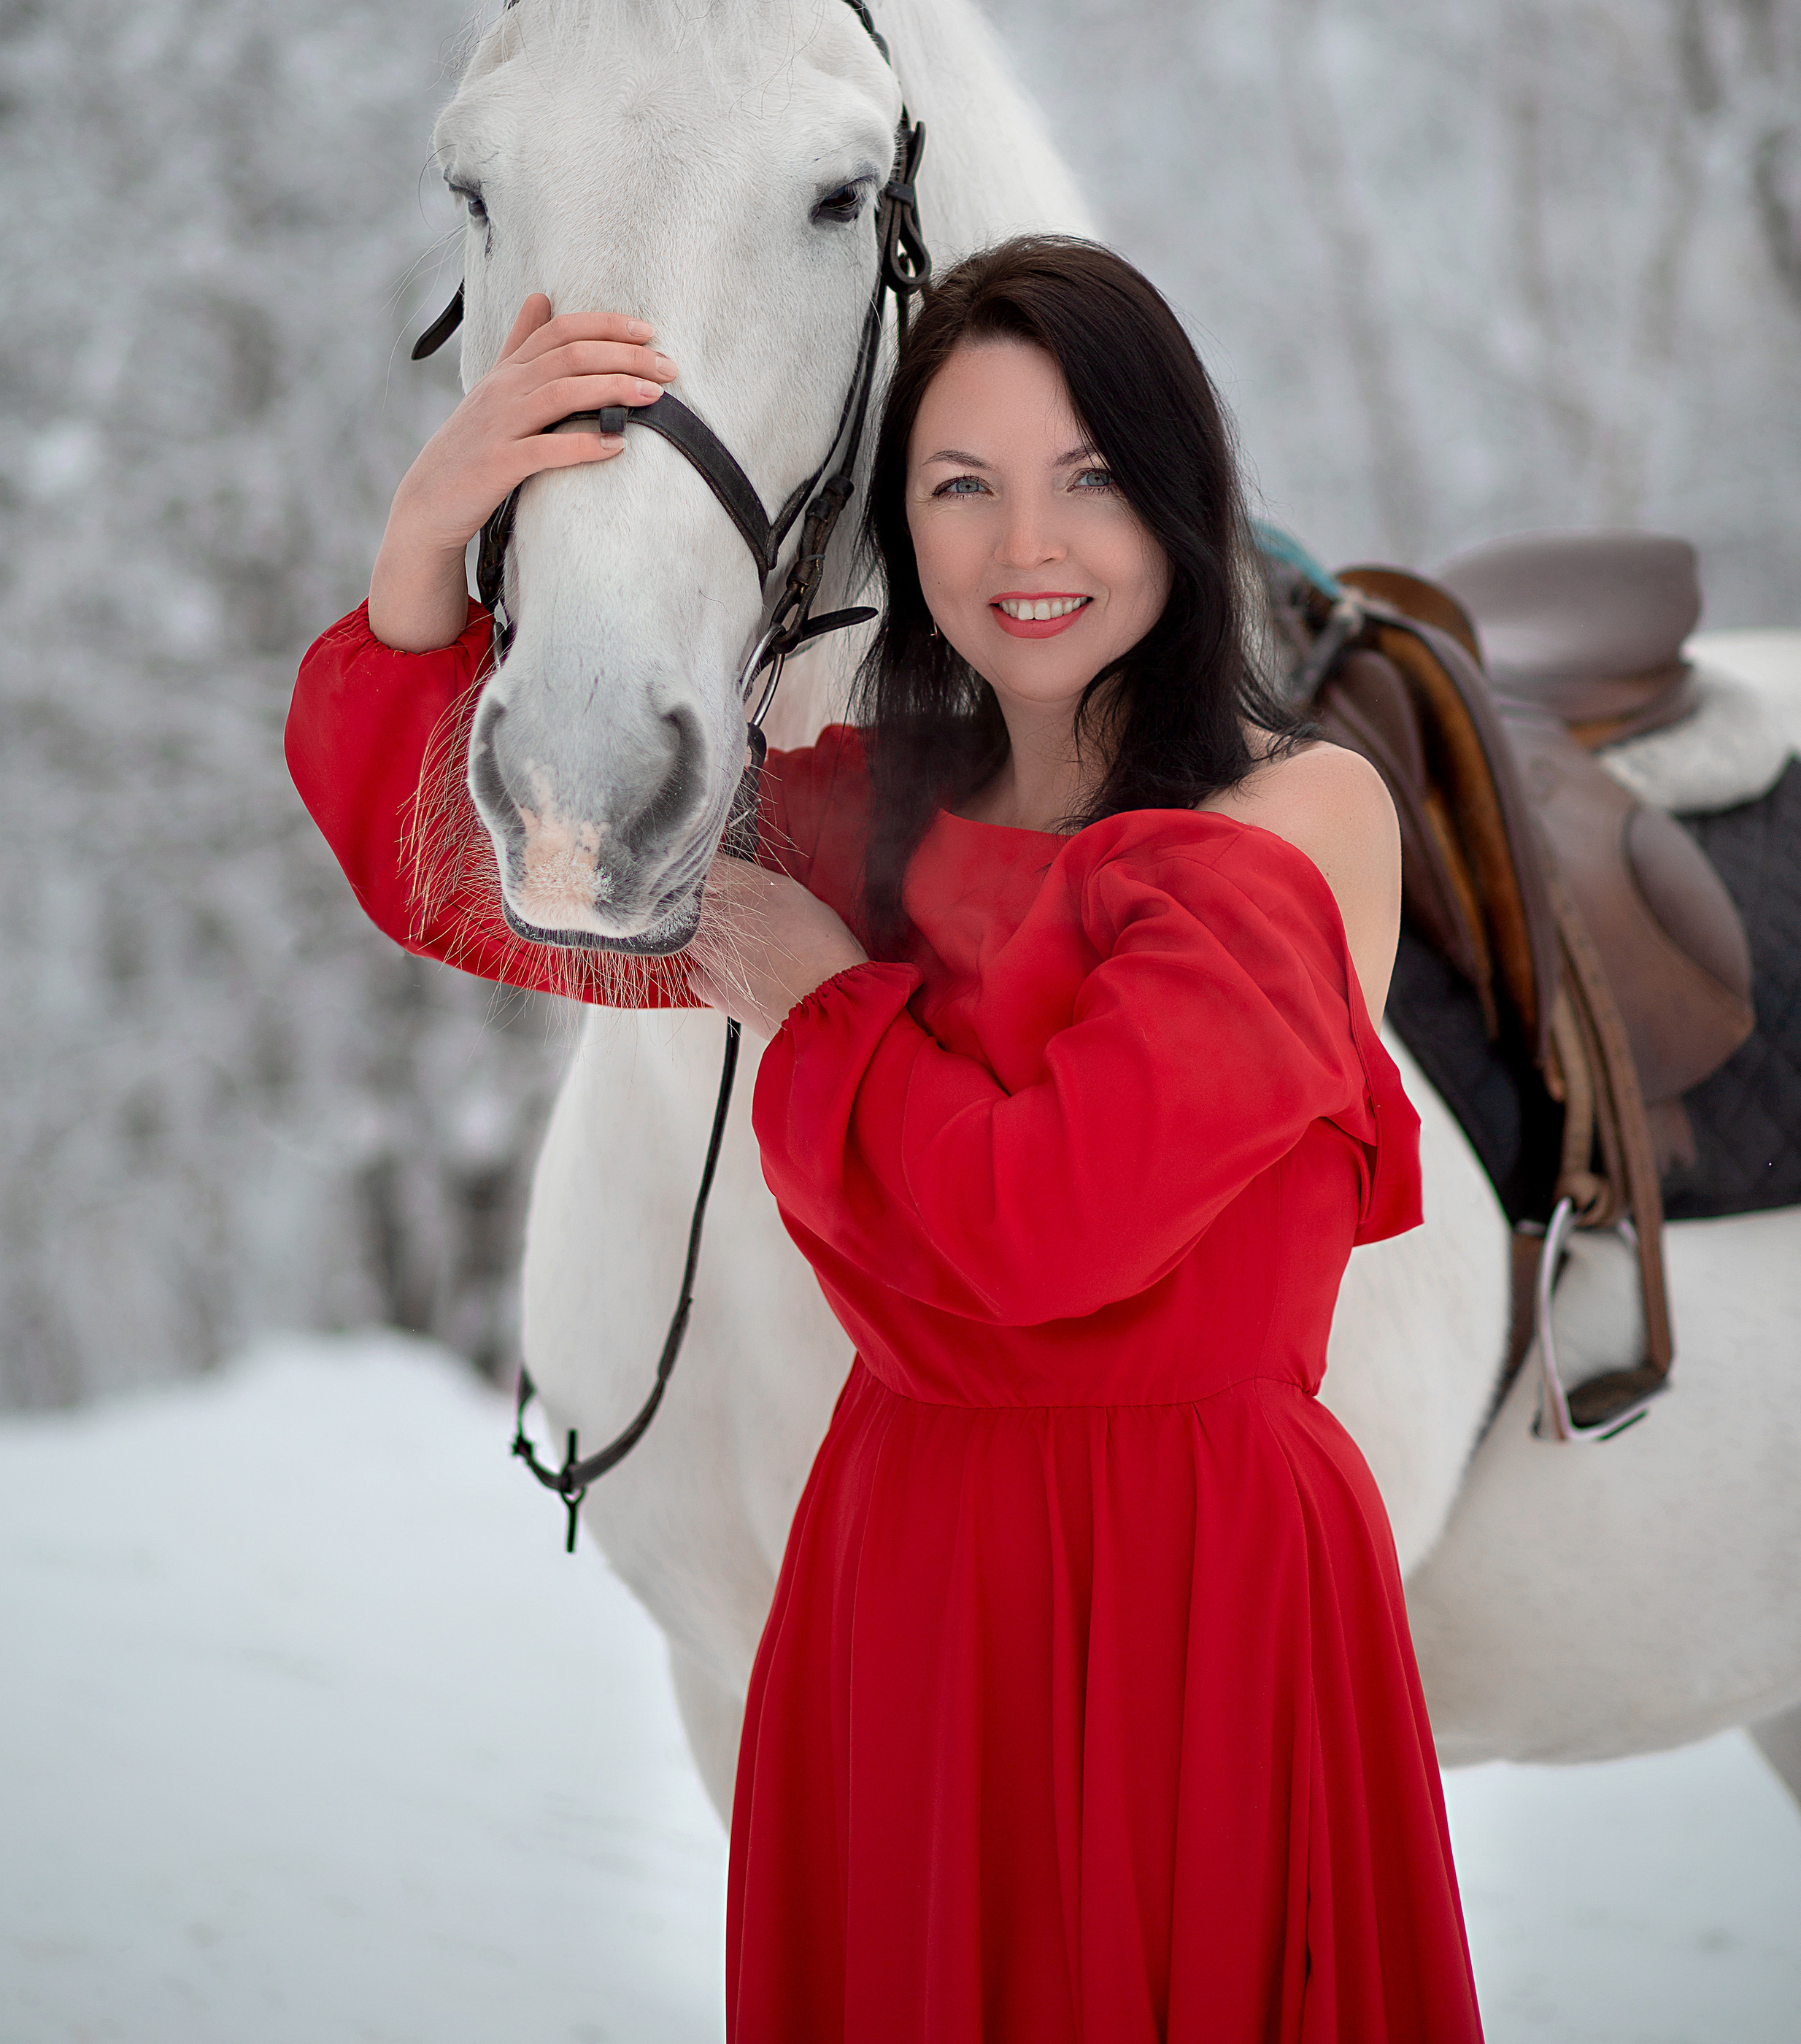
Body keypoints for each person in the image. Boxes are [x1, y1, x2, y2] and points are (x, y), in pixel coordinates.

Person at [287, 236, 1483, 2043]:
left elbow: (1045, 1229)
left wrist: (827, 998)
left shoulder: (1291, 817)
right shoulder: (865, 819)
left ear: (1178, 499)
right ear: (894, 531)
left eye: (1088, 481)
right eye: (961, 486)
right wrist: (430, 534)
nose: (1027, 548)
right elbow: (481, 869)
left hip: (1197, 1590)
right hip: (907, 1571)